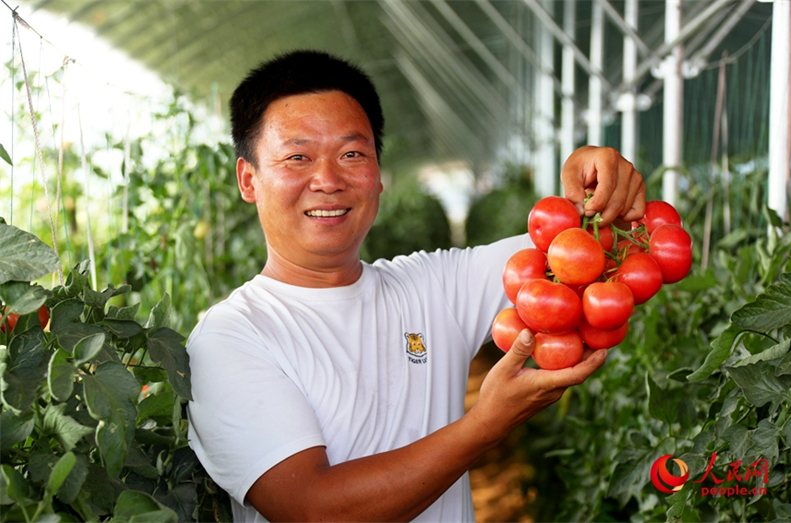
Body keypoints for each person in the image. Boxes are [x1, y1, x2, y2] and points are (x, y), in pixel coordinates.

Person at [187, 50, 645, 523]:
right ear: (249, 179)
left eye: (351, 154)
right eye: (297, 157)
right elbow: (314, 510)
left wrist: (596, 179)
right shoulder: (230, 339)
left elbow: (598, 248)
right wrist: (484, 426)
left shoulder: (432, 287)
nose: (326, 180)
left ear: (379, 176)